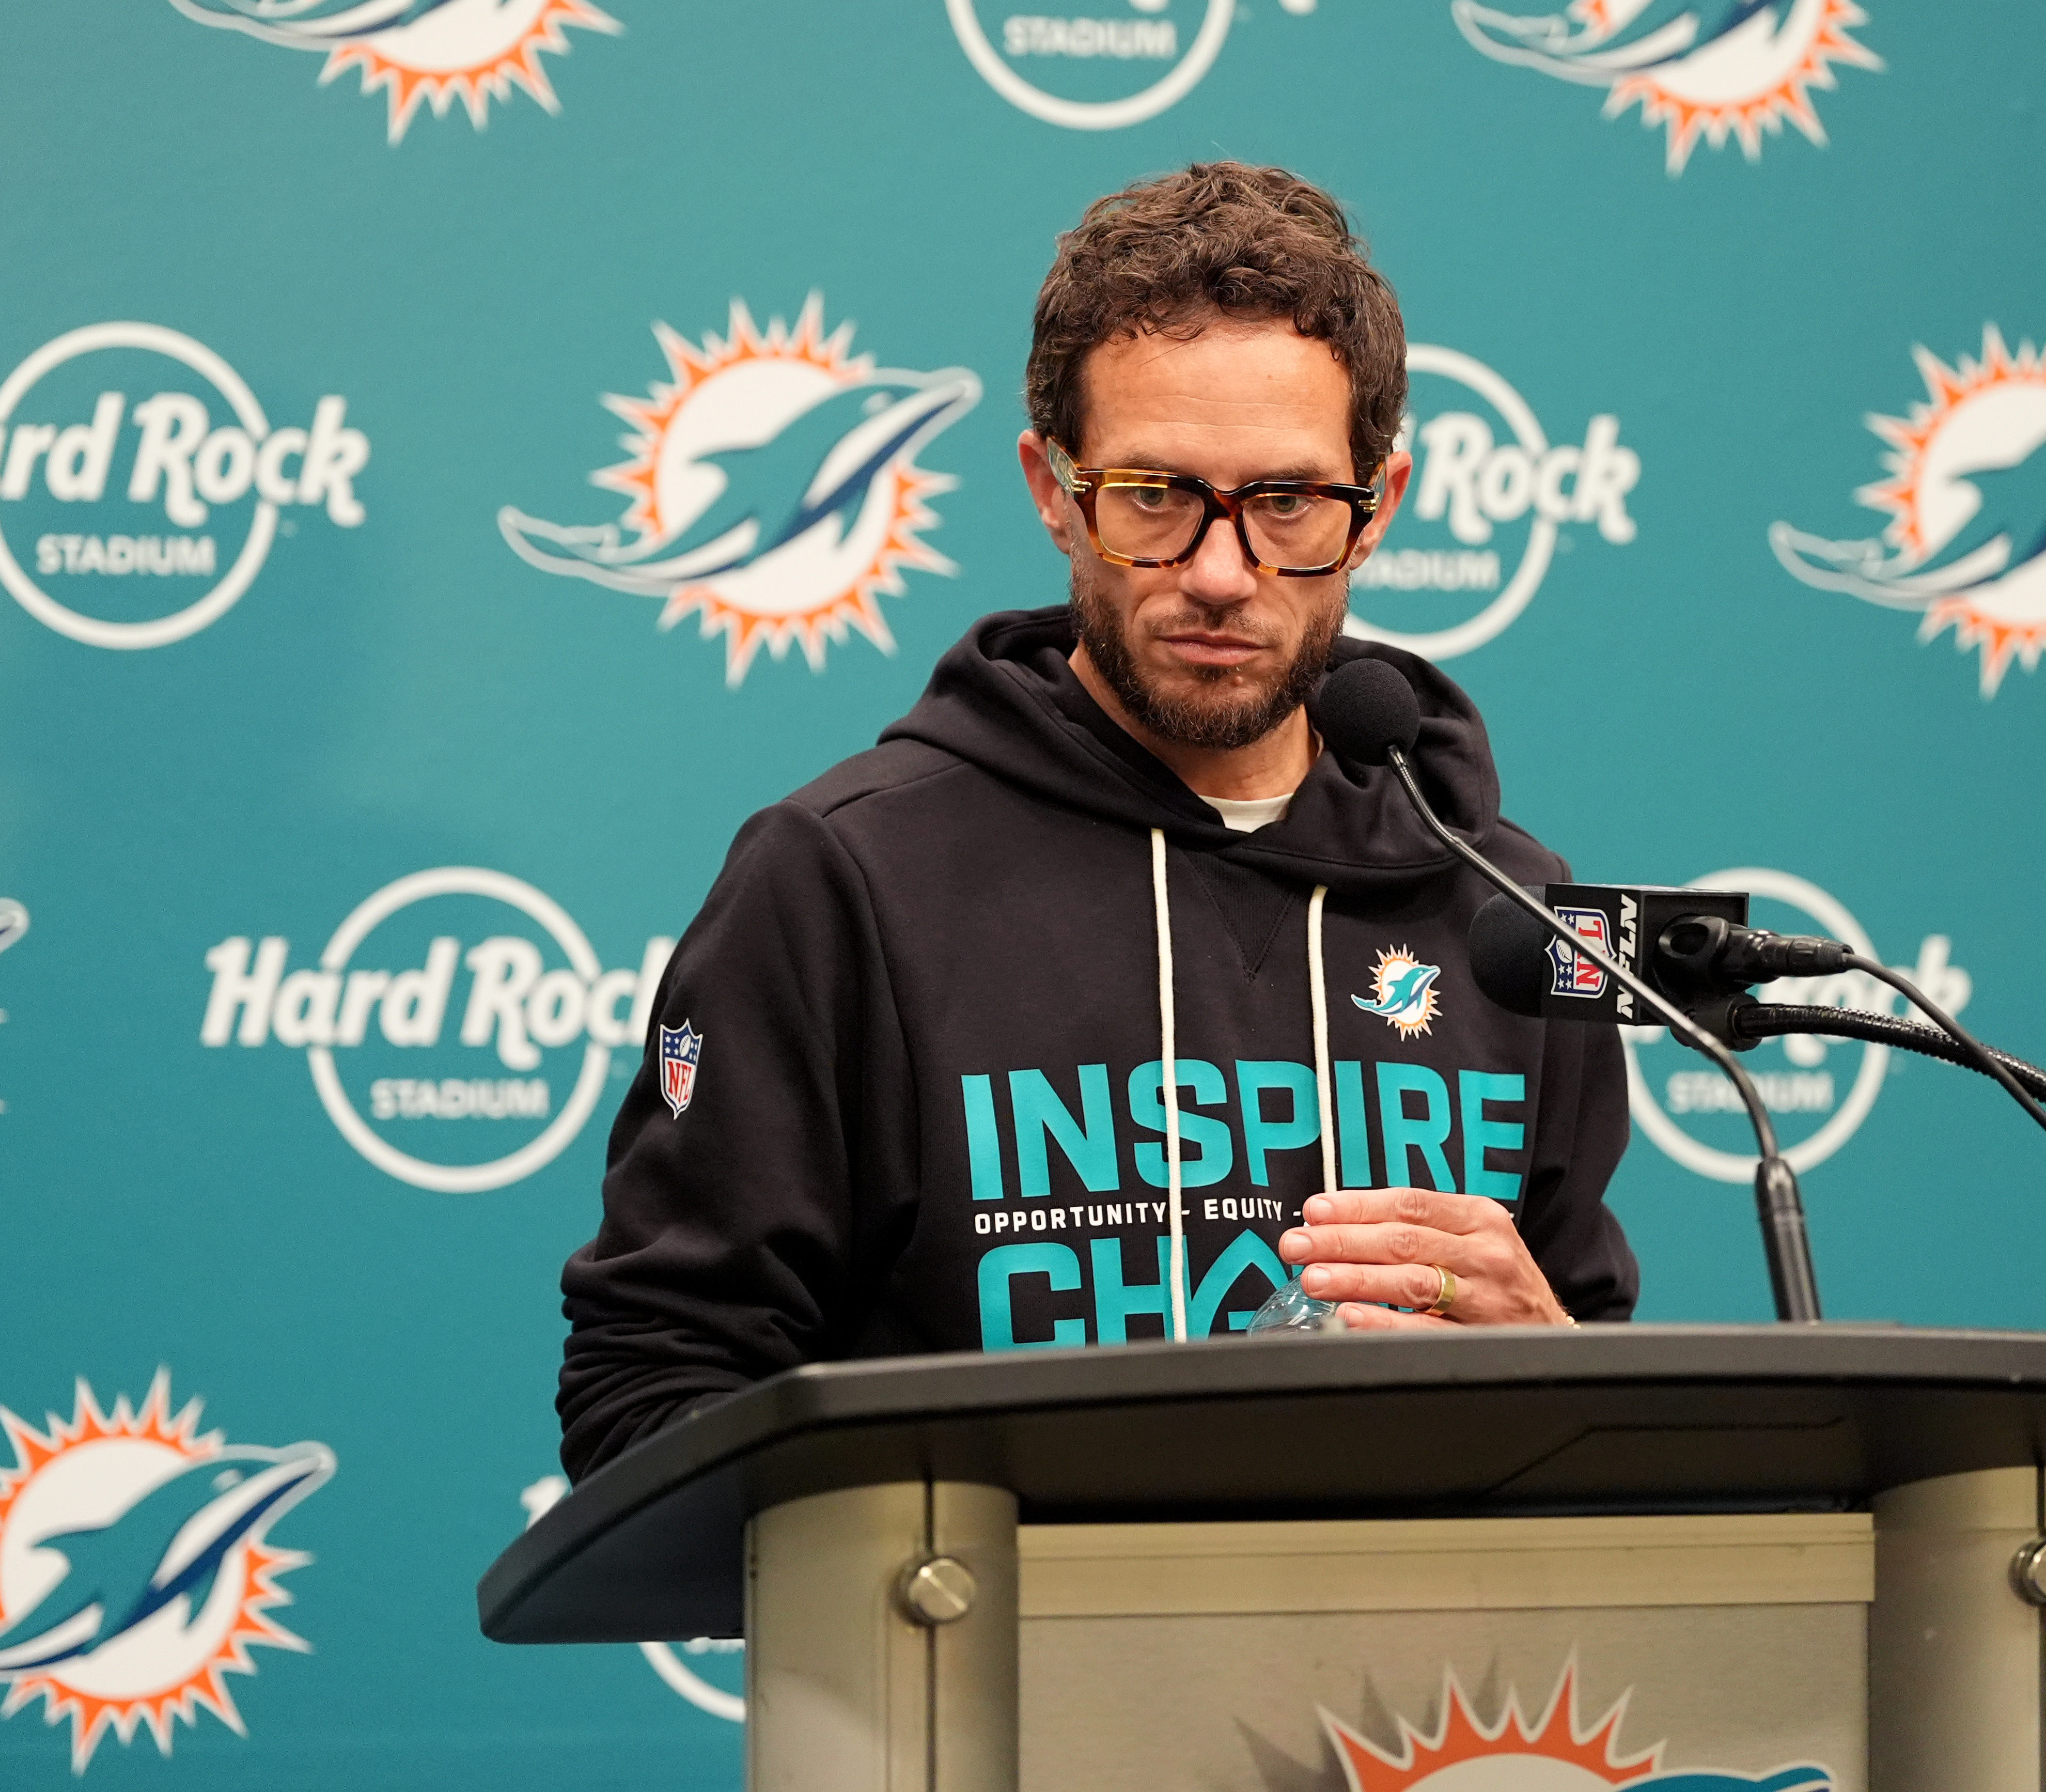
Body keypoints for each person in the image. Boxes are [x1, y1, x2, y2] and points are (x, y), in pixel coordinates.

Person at [555, 163, 1637, 1482]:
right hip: (988, 1668)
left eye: (1287, 502)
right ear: (1053, 490)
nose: (1222, 574)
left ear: (1381, 505)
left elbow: (1594, 1414)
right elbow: (648, 1389)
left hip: (1414, 1688)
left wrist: (1560, 1363)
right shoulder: (846, 880)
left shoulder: (1509, 915)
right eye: (1154, 498)